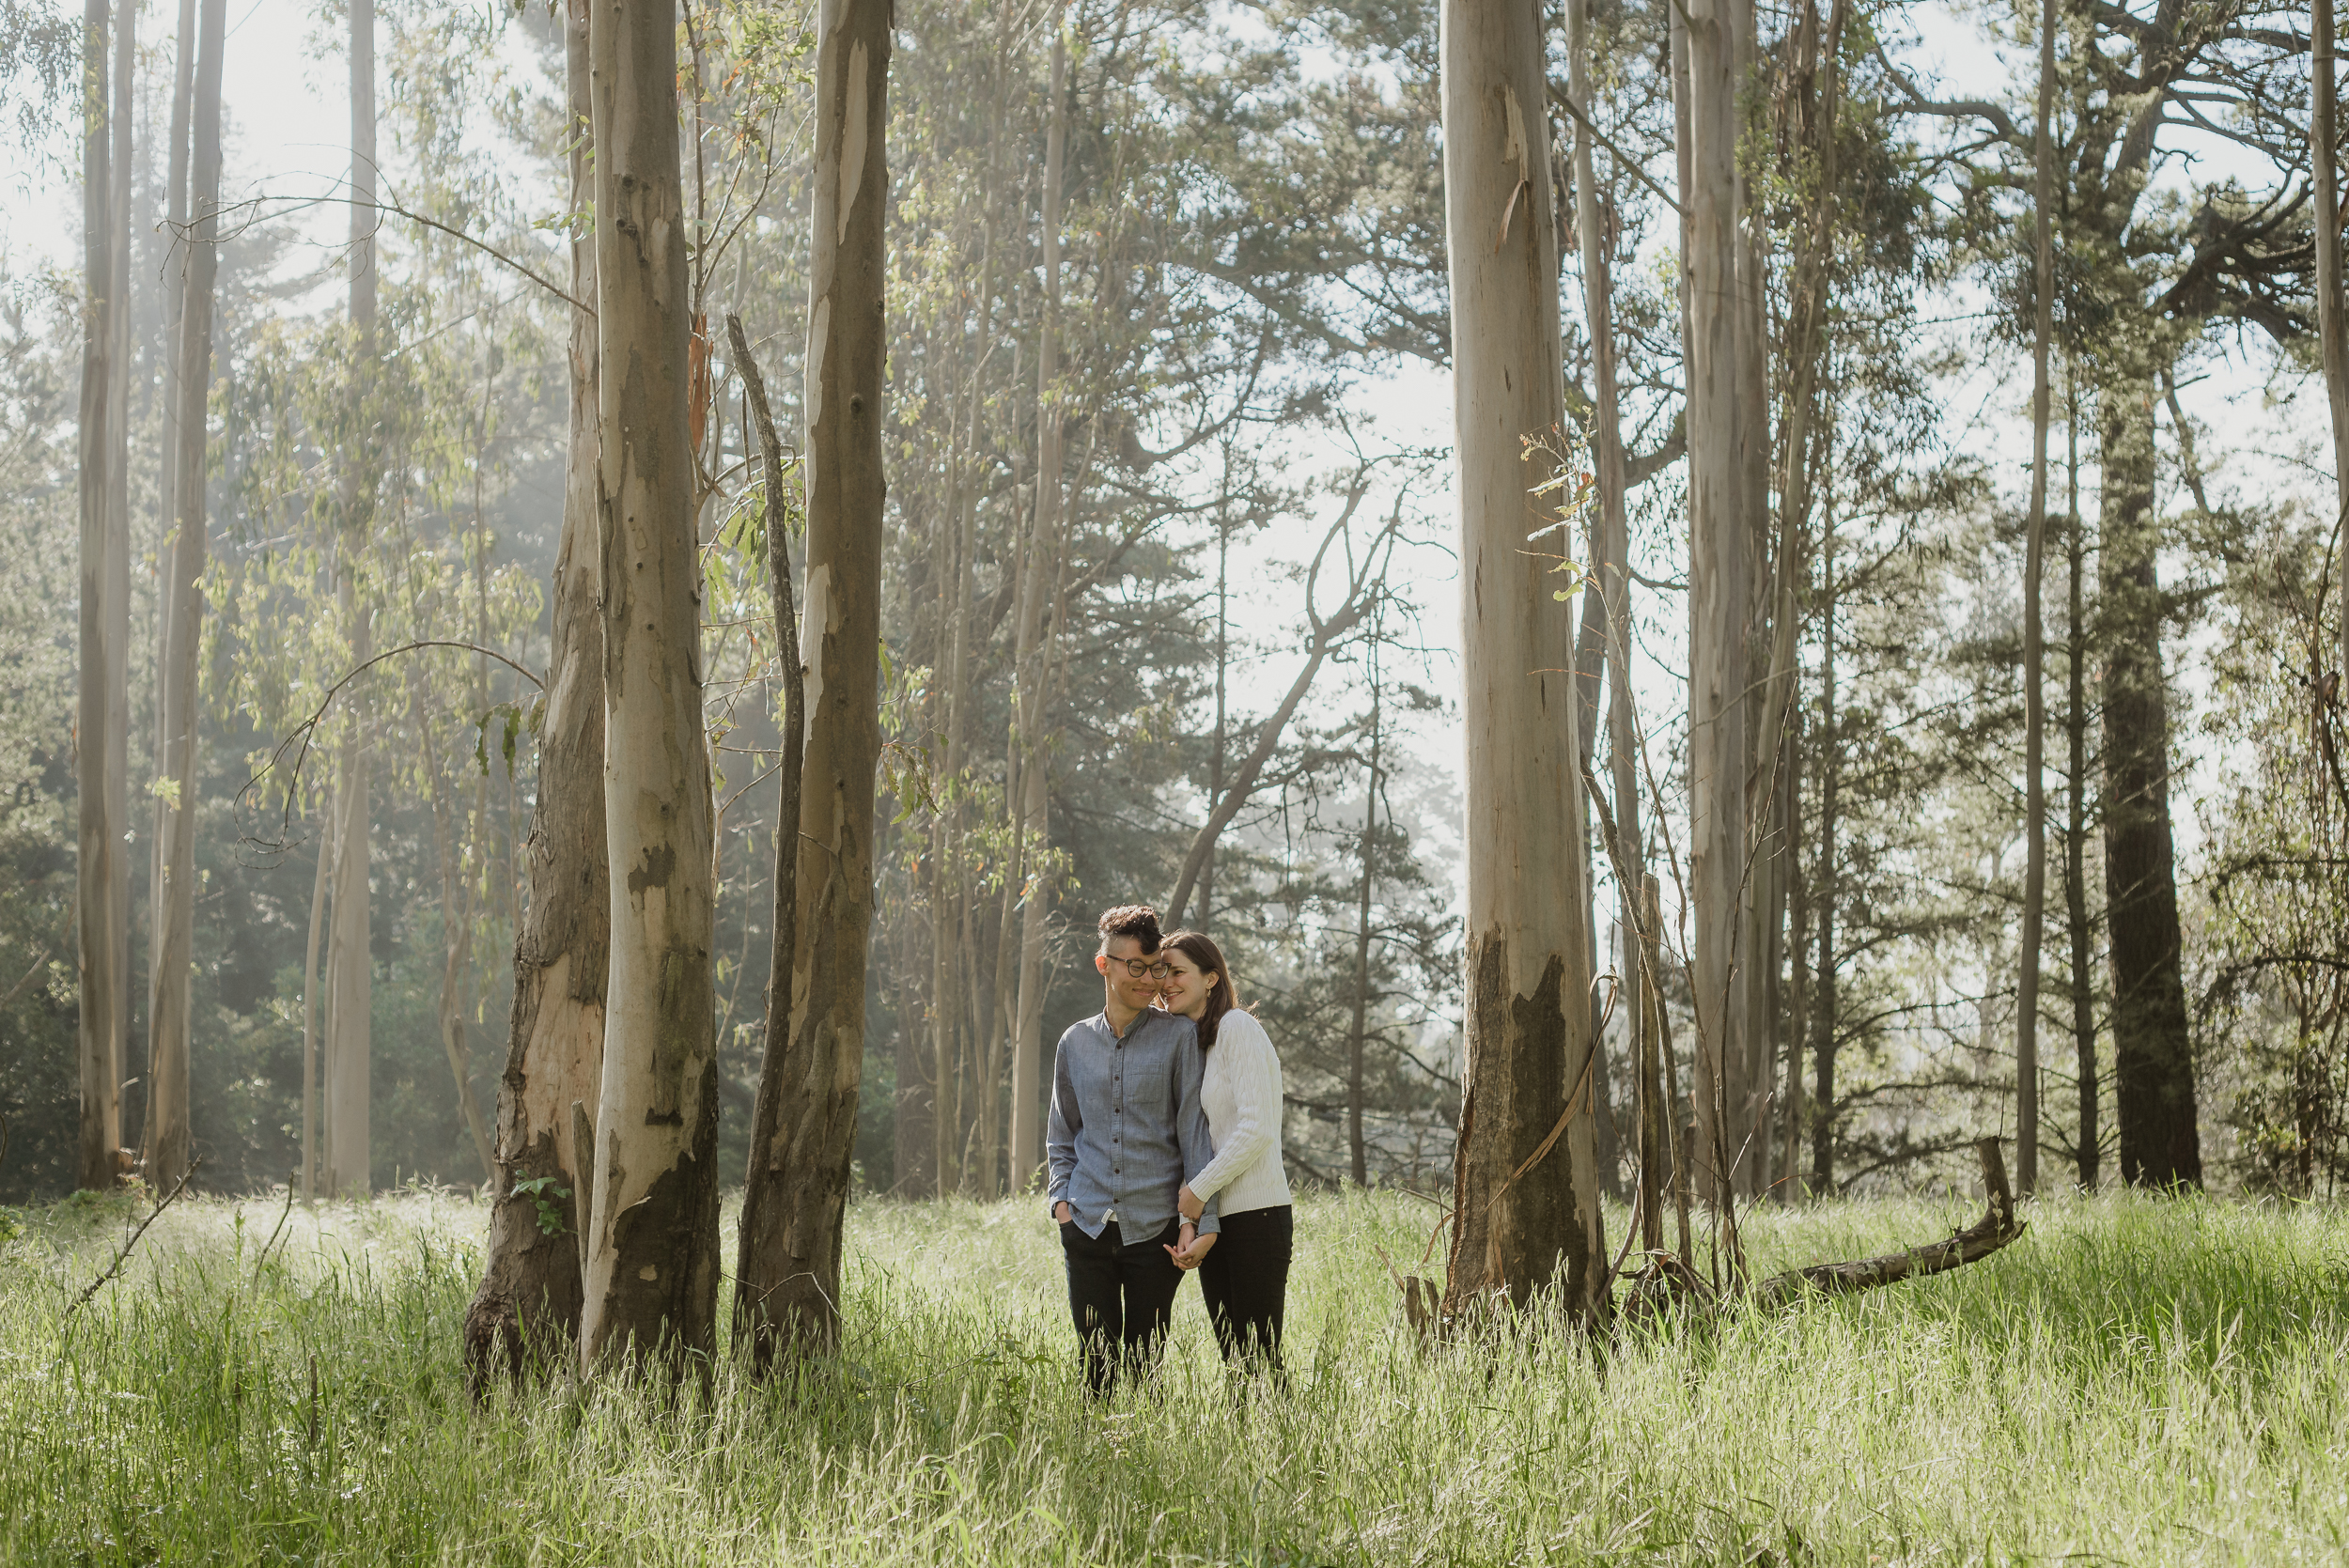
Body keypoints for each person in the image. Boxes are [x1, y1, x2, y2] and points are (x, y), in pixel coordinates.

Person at [1045, 904, 1220, 1397]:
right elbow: (1062, 1133)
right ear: (1105, 965)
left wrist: (1200, 1223)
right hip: (1087, 1223)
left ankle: (1143, 1461)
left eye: (1156, 968)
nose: (1149, 981)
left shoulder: (1179, 1037)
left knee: (1145, 1367)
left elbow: (1195, 1135)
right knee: (1094, 1364)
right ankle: (1094, 1464)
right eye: (1136, 968)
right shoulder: (1073, 1043)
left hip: (1156, 1231)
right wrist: (1061, 1203)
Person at [1159, 929, 1293, 1381]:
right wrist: (1192, 1219)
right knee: (1236, 1363)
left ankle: (1285, 1448)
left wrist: (1196, 1191)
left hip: (1258, 1216)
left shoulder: (1237, 1027)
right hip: (1219, 1220)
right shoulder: (1201, 1044)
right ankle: (1246, 1450)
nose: (1166, 982)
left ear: (1211, 977)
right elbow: (1200, 1142)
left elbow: (1257, 1128)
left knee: (1260, 1360)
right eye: (1163, 972)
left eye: (1178, 971)